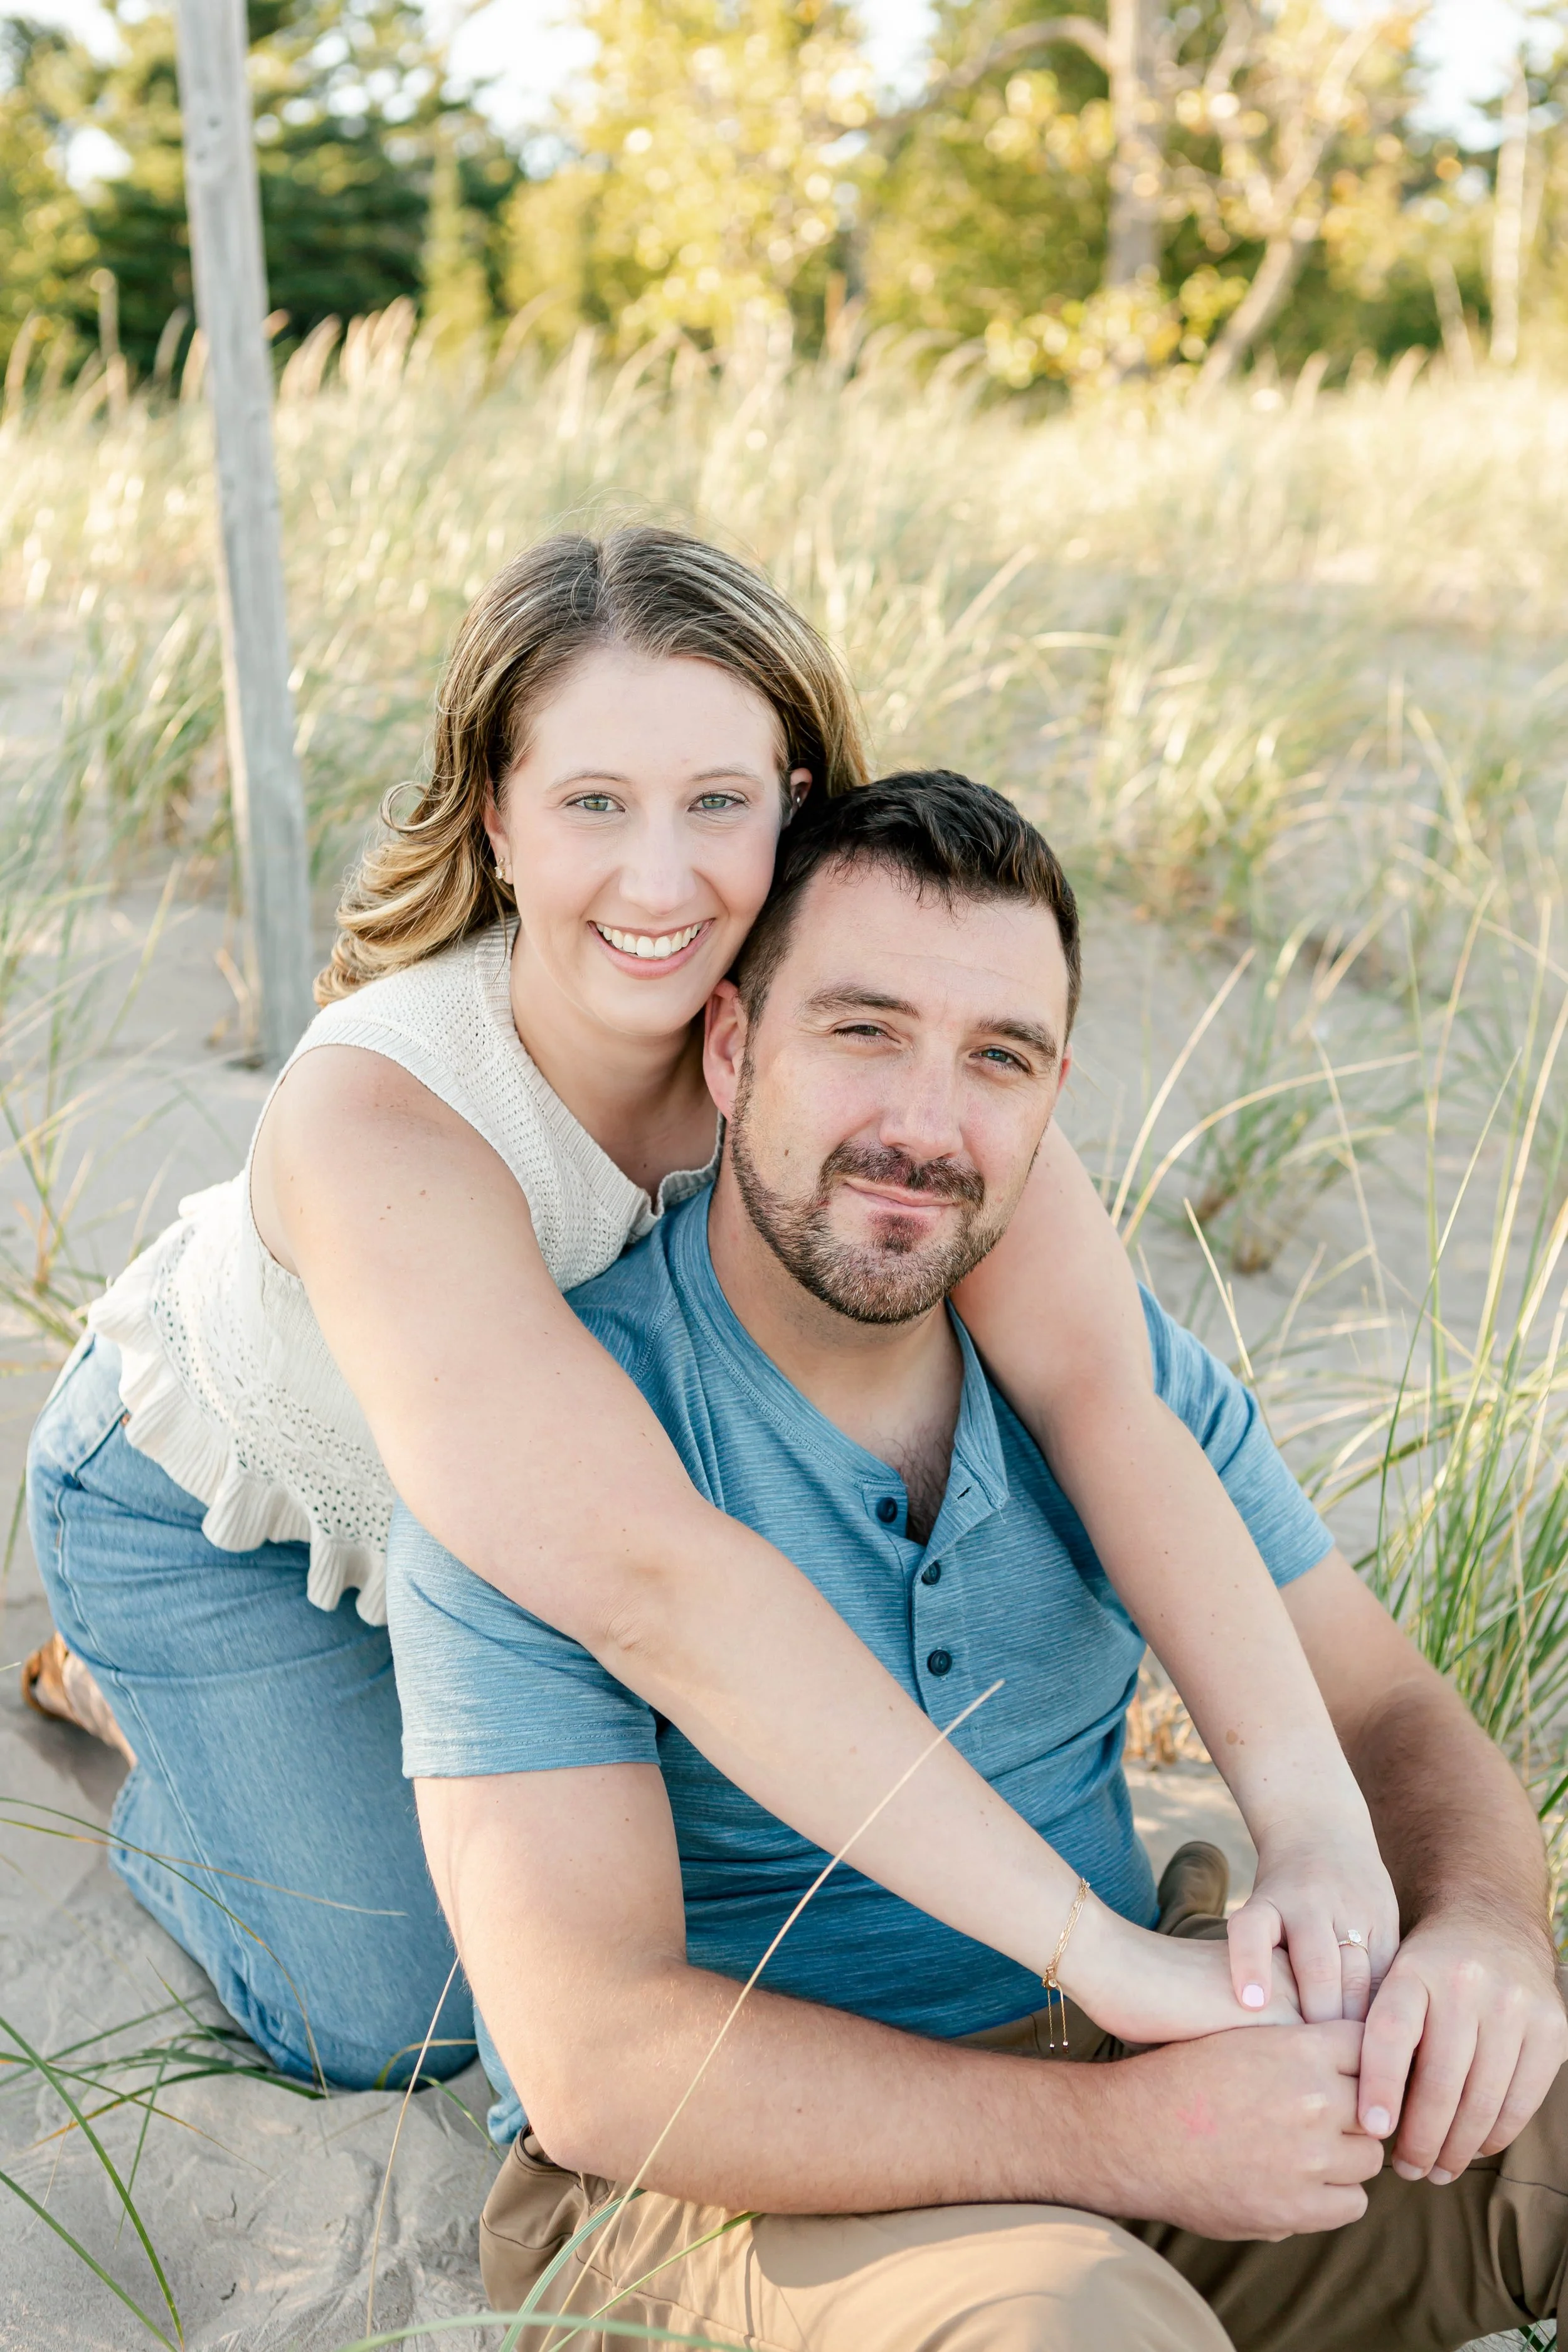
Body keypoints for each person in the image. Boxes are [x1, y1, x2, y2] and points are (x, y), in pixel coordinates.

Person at [28, 528, 1386, 2095]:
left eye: (718, 805)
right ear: (500, 817)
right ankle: (140, 1728)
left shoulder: (852, 1046)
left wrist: (1313, 1830)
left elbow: (1104, 1403)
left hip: (523, 1535)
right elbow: (653, 1586)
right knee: (411, 2015)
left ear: (794, 801)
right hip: (226, 1521)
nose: (661, 882)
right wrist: (1101, 1956)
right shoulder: (384, 1124)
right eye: (594, 803)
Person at [389, 771, 1568, 2352]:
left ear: (1052, 1094)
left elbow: (1387, 1709)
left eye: (994, 1059)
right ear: (732, 1049)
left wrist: (1483, 1931)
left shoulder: (1100, 1381)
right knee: (1074, 2326)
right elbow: (600, 2059)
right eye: (863, 1031)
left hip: (1148, 2065)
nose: (924, 1128)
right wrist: (1113, 2144)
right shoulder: (548, 1449)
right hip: (738, 2194)